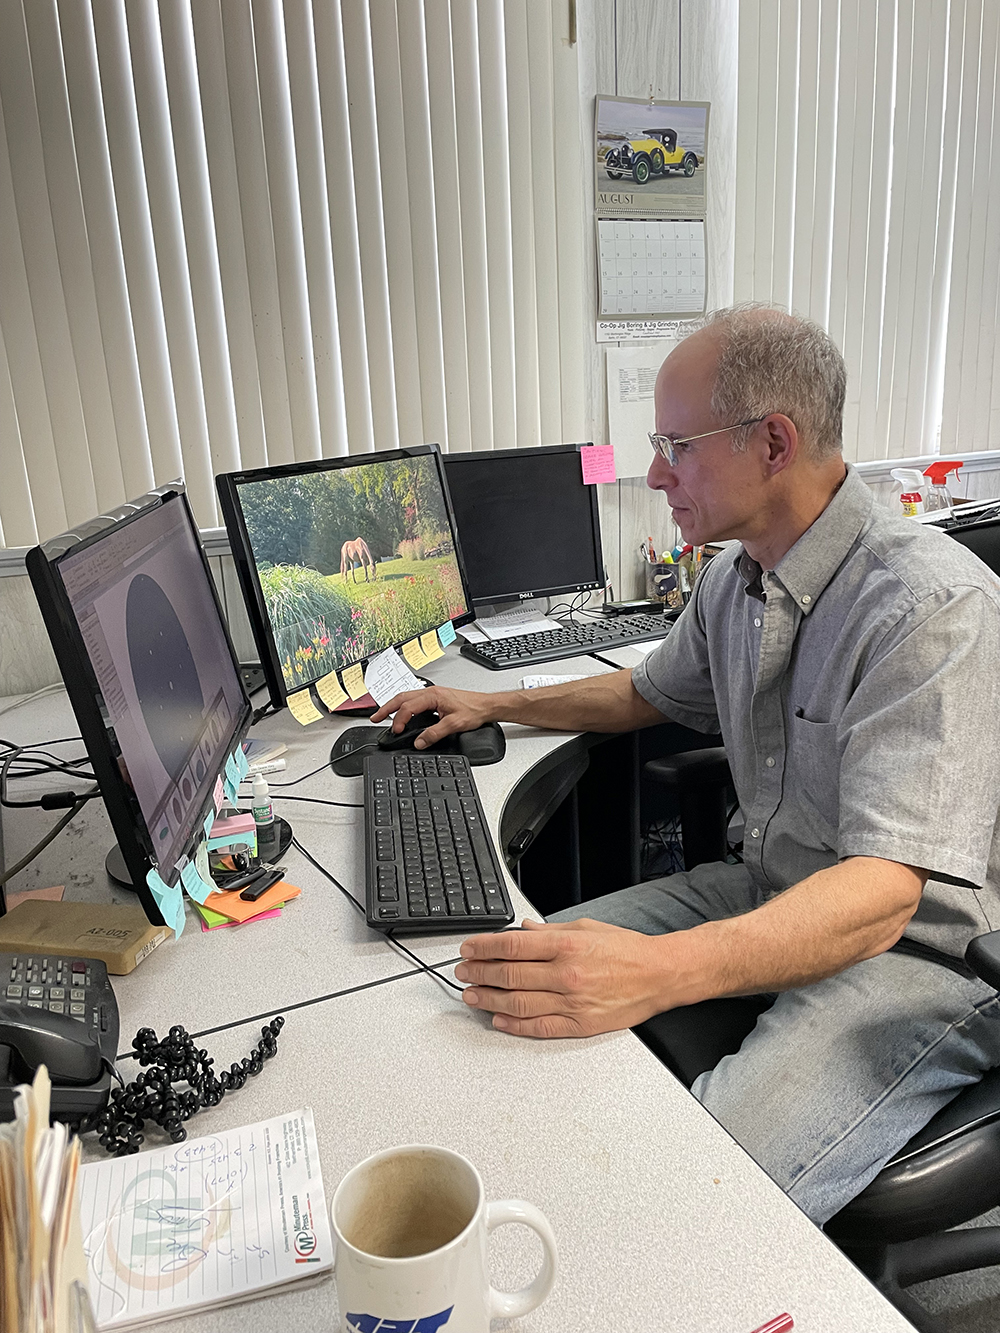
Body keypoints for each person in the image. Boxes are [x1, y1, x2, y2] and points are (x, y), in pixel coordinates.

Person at [371, 305, 1000, 1224]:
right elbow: (642, 693)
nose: (657, 473)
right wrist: (491, 704)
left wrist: (660, 970)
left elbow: (883, 894)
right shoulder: (735, 579)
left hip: (924, 953)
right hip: (772, 887)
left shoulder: (928, 608)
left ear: (774, 442)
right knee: (503, 978)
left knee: (688, 1197)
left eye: (677, 446)